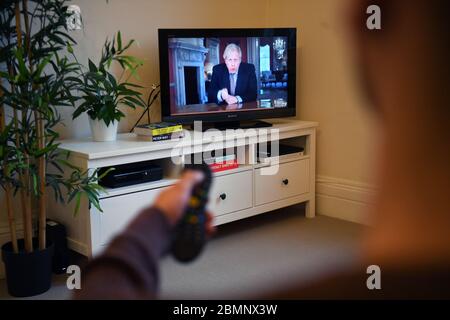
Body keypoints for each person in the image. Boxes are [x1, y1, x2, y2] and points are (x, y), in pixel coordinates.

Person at [75, 0, 450, 299]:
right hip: (210, 126)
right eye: (229, 59)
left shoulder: (253, 69)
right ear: (223, 60)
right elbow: (209, 99)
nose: (233, 62)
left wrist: (156, 221)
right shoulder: (217, 73)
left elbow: (102, 290)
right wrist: (221, 95)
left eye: (237, 58)